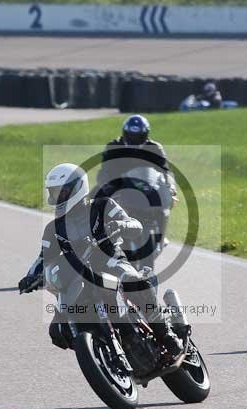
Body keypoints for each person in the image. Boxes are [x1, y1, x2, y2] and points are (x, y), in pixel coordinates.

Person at [18, 162, 183, 355]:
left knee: (133, 282)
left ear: (77, 188)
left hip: (112, 263)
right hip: (80, 279)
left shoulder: (102, 205)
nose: (56, 197)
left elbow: (134, 224)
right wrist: (30, 277)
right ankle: (100, 350)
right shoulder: (53, 229)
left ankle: (165, 333)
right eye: (53, 192)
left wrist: (121, 225)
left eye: (61, 192)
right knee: (58, 330)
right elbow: (43, 259)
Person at [96, 115, 176, 269]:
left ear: (145, 135)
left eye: (138, 136)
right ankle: (102, 241)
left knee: (163, 209)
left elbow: (166, 171)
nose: (134, 139)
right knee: (102, 207)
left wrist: (171, 188)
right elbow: (105, 171)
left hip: (147, 188)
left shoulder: (154, 147)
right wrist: (107, 185)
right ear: (125, 133)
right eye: (131, 136)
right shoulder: (114, 146)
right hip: (120, 188)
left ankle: (160, 238)